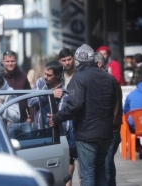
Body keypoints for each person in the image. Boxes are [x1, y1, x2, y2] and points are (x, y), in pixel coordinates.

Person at [48, 44, 116, 186]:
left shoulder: (78, 78)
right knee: (101, 171)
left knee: (88, 174)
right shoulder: (108, 77)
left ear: (77, 61)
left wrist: (56, 118)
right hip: (106, 133)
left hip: (87, 134)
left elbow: (74, 105)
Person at [95, 52, 123, 186]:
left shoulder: (106, 81)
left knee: (106, 164)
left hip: (109, 129)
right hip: (112, 128)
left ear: (99, 64)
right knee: (108, 163)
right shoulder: (109, 80)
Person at [2, 50, 34, 138]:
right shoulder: (0, 78)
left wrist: (31, 117)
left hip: (25, 122)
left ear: (16, 61)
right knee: (10, 150)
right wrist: (5, 120)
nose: (10, 64)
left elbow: (30, 97)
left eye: (12, 61)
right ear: (3, 62)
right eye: (7, 61)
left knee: (30, 149)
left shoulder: (22, 75)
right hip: (8, 123)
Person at [27, 61, 68, 130]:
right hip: (37, 130)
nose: (45, 77)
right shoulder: (41, 82)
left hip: (51, 133)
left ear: (58, 75)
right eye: (45, 73)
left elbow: (62, 119)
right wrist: (49, 96)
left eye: (49, 75)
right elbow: (30, 102)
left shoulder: (62, 92)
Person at [58, 48, 79, 186]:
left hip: (78, 118)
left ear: (73, 59)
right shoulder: (58, 75)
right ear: (60, 61)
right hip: (63, 119)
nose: (67, 63)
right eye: (64, 60)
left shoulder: (80, 74)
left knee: (77, 154)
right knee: (67, 155)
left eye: (69, 59)